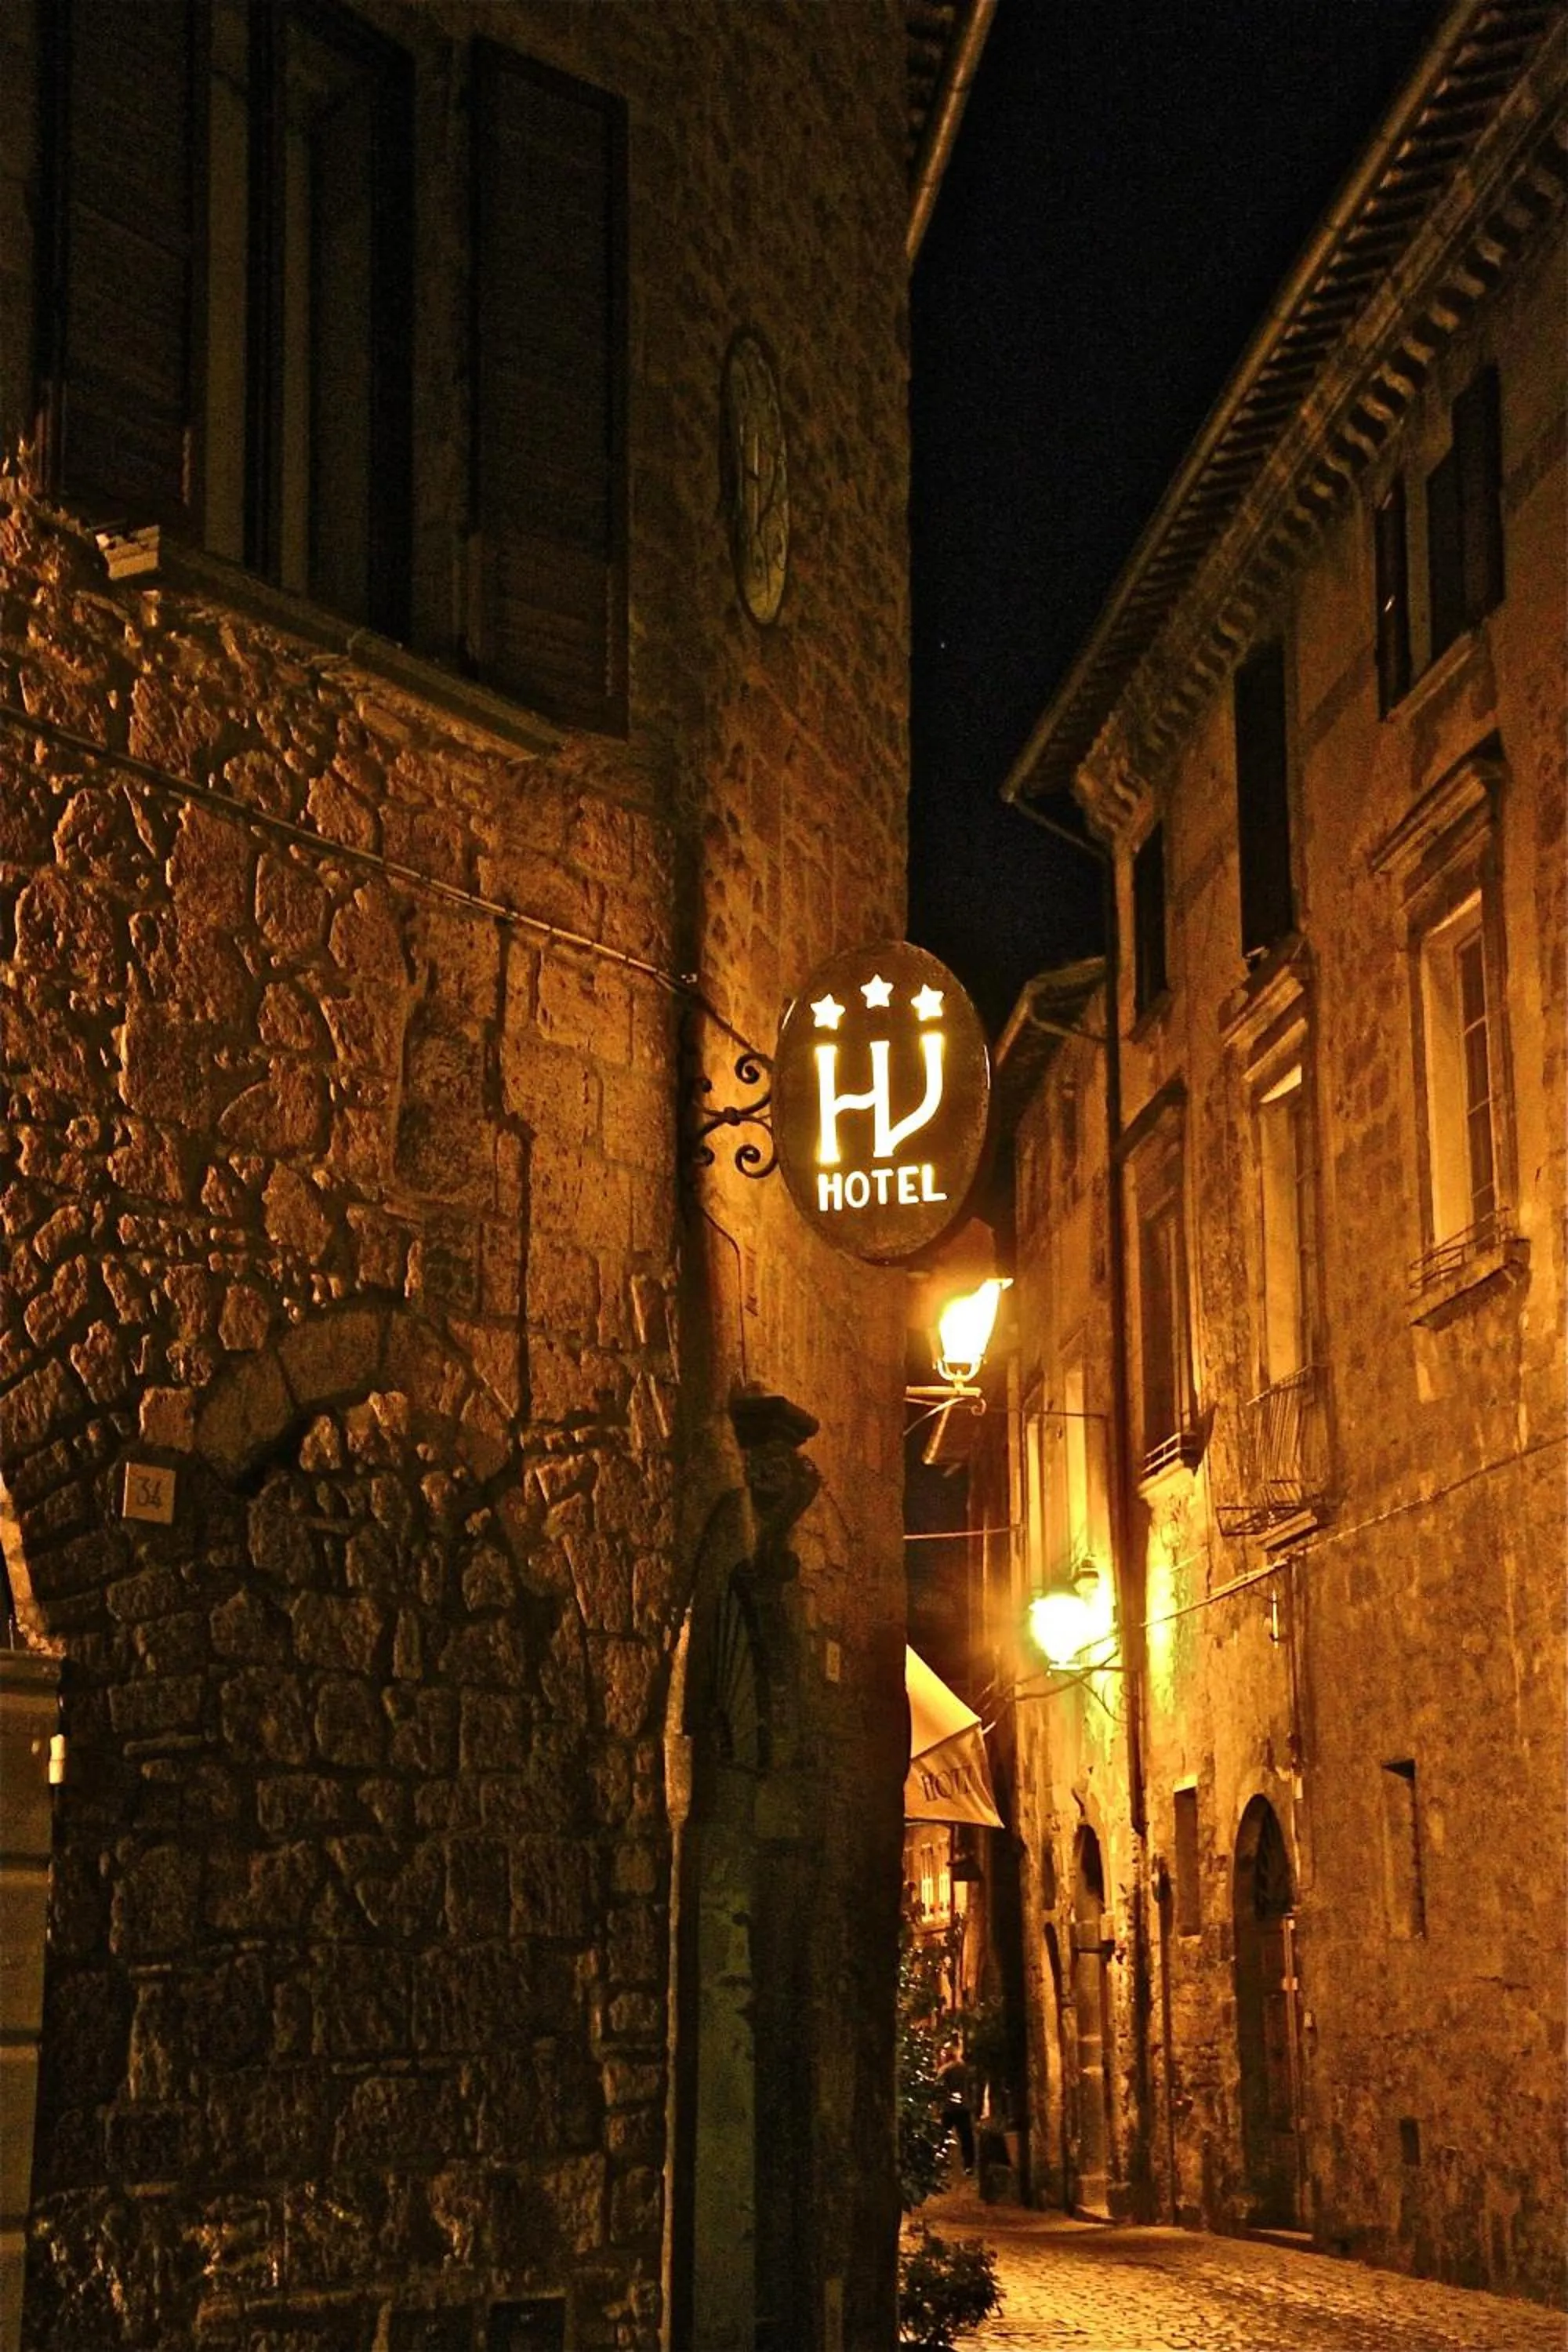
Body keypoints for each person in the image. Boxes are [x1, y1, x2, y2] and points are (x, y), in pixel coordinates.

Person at [938, 2044, 974, 2176]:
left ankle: (942, 2163)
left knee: (944, 2136)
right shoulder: (964, 2068)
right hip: (963, 2106)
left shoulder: (944, 2070)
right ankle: (969, 2165)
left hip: (948, 2107)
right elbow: (970, 2086)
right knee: (966, 2137)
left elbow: (939, 2088)